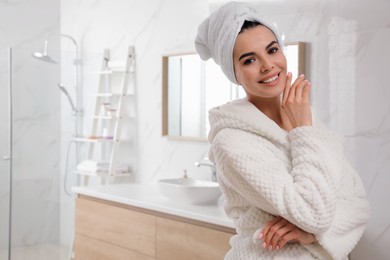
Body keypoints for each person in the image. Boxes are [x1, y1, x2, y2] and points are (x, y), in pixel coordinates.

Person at [195, 2, 370, 259]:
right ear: (234, 73)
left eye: (272, 50)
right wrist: (303, 133)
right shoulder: (231, 142)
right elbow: (314, 212)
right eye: (250, 60)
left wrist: (315, 233)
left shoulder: (305, 119)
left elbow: (358, 203)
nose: (268, 65)